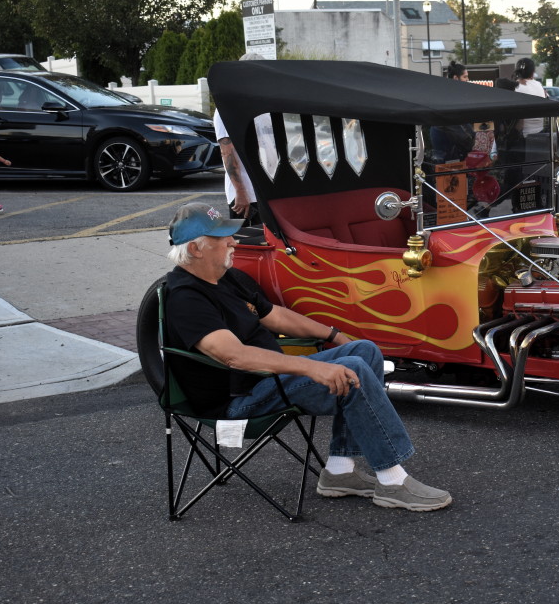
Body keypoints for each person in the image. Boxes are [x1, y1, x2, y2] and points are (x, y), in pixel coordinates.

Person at [163, 202, 453, 512]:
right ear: (195, 249)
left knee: (363, 350)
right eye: (224, 237)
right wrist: (312, 368)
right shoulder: (185, 298)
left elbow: (275, 317)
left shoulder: (227, 277)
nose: (234, 241)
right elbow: (235, 356)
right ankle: (392, 478)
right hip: (238, 400)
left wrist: (333, 334)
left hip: (267, 381)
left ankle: (340, 472)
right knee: (351, 367)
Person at [212, 52, 265, 225]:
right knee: (249, 246)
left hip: (266, 191)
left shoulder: (264, 104)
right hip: (247, 196)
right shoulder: (227, 108)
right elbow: (227, 151)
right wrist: (241, 192)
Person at [513, 58, 547, 136]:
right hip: (540, 132)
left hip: (522, 135)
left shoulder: (515, 86)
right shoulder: (539, 85)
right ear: (532, 72)